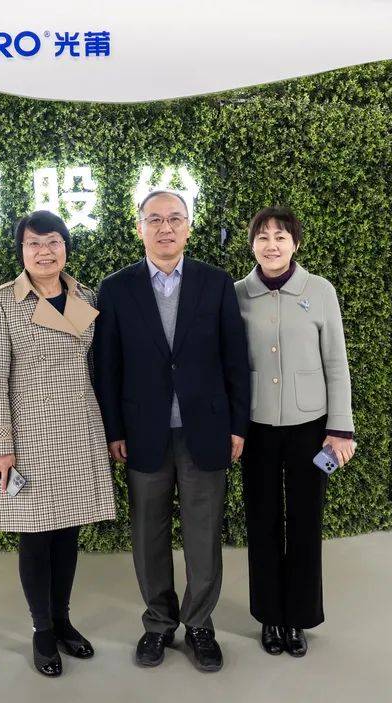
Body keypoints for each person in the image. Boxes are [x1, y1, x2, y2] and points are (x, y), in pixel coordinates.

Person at [94, 190, 250, 673]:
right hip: (143, 432)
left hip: (206, 429)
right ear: (139, 226)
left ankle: (200, 624)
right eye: (155, 219)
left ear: (188, 227)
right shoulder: (116, 288)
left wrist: (238, 426)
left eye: (175, 219)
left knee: (204, 533)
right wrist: (114, 429)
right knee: (148, 533)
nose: (165, 228)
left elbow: (235, 359)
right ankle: (159, 623)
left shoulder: (215, 282)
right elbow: (107, 367)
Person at [0, 210, 117, 677]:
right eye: (34, 243)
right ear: (21, 251)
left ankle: (62, 620)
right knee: (36, 536)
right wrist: (0, 445)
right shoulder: (1, 302)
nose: (44, 252)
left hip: (79, 428)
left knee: (68, 532)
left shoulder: (84, 296)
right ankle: (42, 630)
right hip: (30, 435)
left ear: (65, 247)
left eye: (53, 242)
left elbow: (93, 367)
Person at [234, 206, 356, 658]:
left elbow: (336, 362)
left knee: (305, 521)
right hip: (257, 426)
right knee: (262, 519)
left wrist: (340, 429)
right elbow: (230, 366)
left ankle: (299, 617)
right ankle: (270, 615)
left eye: (280, 237)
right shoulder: (237, 294)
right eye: (263, 237)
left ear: (295, 244)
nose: (271, 245)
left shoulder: (320, 291)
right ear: (252, 245)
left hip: (311, 427)